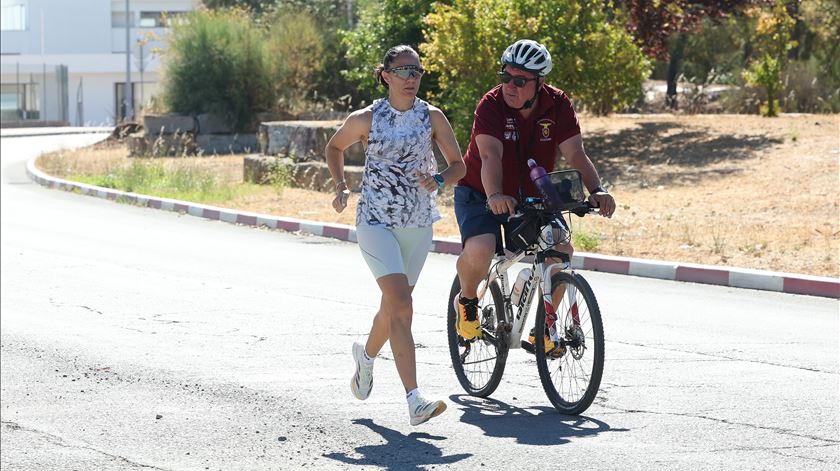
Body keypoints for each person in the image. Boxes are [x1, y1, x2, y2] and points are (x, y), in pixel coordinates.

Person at [325, 45, 465, 426]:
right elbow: (334, 147)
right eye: (402, 71)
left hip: (417, 224)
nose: (410, 78)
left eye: (416, 72)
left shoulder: (432, 116)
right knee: (402, 303)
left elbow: (459, 166)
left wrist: (437, 179)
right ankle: (414, 399)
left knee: (393, 307)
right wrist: (341, 185)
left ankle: (365, 358)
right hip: (375, 222)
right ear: (385, 75)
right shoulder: (367, 118)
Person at [453, 39, 616, 348]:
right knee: (482, 249)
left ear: (540, 82)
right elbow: (489, 156)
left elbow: (576, 153)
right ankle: (468, 302)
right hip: (480, 191)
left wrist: (597, 189)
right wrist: (495, 195)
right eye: (505, 77)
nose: (510, 86)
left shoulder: (557, 104)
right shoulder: (491, 105)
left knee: (560, 249)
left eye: (520, 80)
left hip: (533, 195)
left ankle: (544, 329)